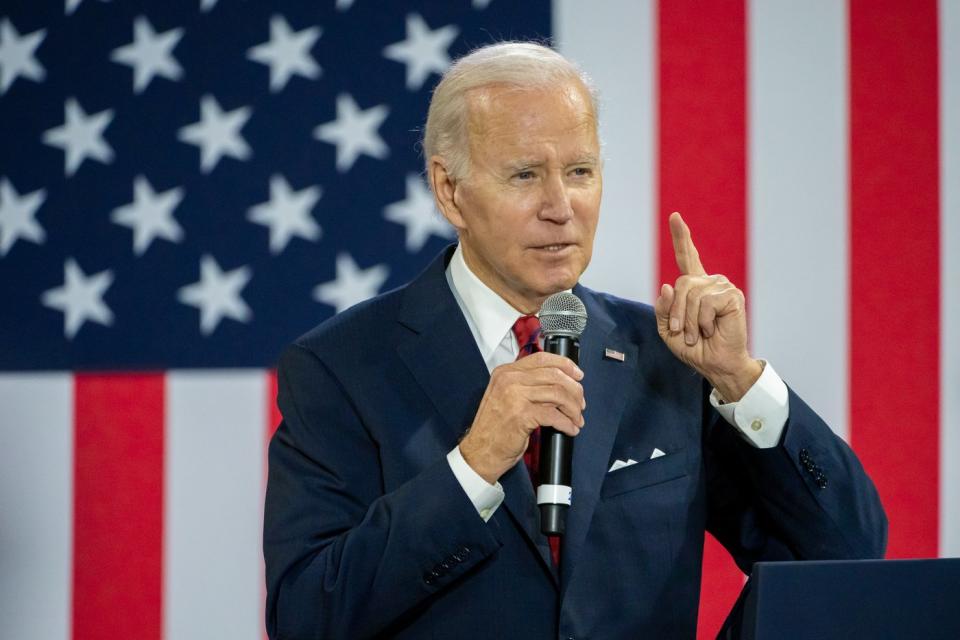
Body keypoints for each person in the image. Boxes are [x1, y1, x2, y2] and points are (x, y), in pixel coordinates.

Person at [263, 42, 886, 639]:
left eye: (580, 171)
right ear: (449, 190)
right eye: (525, 174)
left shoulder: (664, 355)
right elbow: (306, 615)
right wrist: (472, 467)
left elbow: (844, 555)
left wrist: (741, 382)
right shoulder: (340, 367)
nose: (560, 206)